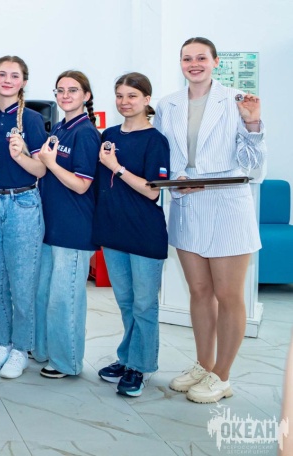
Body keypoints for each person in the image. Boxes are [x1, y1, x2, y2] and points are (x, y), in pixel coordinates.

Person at [154, 37, 265, 404]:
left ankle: (223, 375)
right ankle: (204, 365)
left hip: (227, 204)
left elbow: (253, 166)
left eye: (201, 57)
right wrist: (175, 179)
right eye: (187, 58)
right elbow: (165, 154)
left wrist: (253, 123)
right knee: (200, 292)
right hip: (187, 203)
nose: (194, 64)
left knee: (228, 294)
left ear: (215, 61)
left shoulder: (236, 101)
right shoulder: (168, 104)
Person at [92, 73, 170, 397]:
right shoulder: (109, 135)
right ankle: (127, 358)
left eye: (132, 96)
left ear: (147, 100)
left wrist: (117, 167)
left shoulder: (156, 141)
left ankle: (140, 366)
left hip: (144, 234)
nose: (125, 102)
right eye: (120, 96)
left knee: (144, 305)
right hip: (114, 232)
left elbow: (152, 191)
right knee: (126, 302)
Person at [0, 56, 48, 380]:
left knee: (22, 284)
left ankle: (21, 348)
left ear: (23, 82)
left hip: (23, 204)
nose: (7, 80)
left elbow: (41, 170)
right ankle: (3, 344)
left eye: (15, 75)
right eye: (2, 74)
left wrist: (19, 155)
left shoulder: (32, 120)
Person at [34, 70, 100, 379]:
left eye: (73, 90)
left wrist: (50, 163)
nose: (65, 95)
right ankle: (46, 350)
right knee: (46, 295)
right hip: (52, 227)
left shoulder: (85, 133)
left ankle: (67, 362)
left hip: (73, 230)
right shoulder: (60, 128)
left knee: (65, 299)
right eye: (60, 90)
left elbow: (82, 185)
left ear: (86, 96)